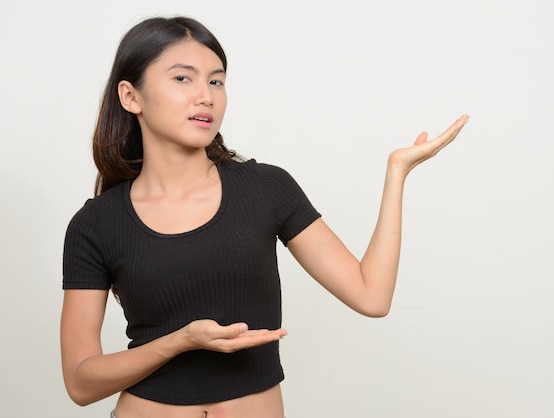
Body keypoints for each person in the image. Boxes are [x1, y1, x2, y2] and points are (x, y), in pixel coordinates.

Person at [60, 15, 469, 418]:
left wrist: (397, 173)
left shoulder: (266, 189)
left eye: (216, 80)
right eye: (183, 78)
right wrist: (180, 341)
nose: (206, 95)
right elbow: (80, 383)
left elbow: (372, 296)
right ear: (131, 96)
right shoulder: (95, 225)